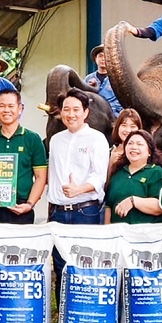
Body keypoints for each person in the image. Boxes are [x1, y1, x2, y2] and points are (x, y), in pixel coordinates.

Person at [0, 89, 47, 309]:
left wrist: (29, 204)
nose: (7, 110)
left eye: (11, 106)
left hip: (20, 211)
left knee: (18, 257)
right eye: (2, 106)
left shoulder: (32, 139)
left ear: (20, 109)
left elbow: (41, 177)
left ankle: (18, 301)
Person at [47, 88, 108, 302]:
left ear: (85, 112)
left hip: (86, 211)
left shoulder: (97, 138)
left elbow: (99, 176)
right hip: (57, 213)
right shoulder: (55, 140)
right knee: (60, 265)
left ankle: (86, 315)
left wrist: (78, 190)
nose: (70, 114)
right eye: (66, 109)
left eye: (75, 109)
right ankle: (63, 317)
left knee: (86, 264)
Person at [105, 129, 162, 224]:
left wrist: (133, 201)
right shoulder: (118, 173)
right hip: (118, 234)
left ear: (149, 151)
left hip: (146, 234)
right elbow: (108, 206)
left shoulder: (156, 172)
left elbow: (161, 207)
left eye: (139, 144)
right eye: (130, 143)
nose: (134, 147)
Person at [84, 44, 123, 117]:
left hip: (112, 114)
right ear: (95, 59)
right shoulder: (88, 78)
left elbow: (122, 100)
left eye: (106, 56)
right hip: (92, 113)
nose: (103, 59)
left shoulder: (117, 78)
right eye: (101, 56)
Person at [108, 108, 142, 181]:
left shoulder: (143, 152)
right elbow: (102, 185)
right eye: (124, 125)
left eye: (132, 126)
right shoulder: (109, 152)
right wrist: (111, 164)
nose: (128, 130)